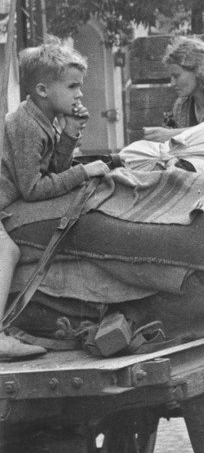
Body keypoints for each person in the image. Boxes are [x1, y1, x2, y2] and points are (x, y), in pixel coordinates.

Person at [0, 39, 111, 360]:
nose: (80, 94)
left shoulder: (43, 121)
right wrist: (84, 172)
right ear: (43, 90)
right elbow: (33, 188)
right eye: (72, 86)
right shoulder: (25, 125)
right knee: (6, 248)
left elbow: (53, 170)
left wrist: (71, 134)